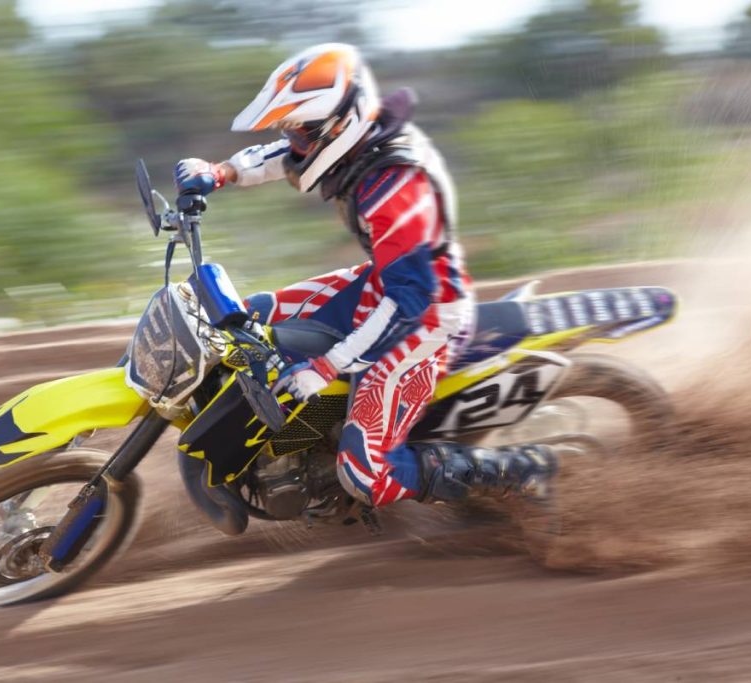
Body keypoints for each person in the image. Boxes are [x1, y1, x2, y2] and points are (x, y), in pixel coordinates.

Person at [173, 43, 555, 509]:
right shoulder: (352, 143)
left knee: (365, 473)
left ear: (338, 124)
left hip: (426, 315)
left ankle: (519, 471)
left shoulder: (396, 186)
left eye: (301, 131)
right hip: (385, 284)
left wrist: (328, 366)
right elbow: (284, 156)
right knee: (249, 316)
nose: (295, 141)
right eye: (291, 129)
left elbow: (408, 302)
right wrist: (221, 172)